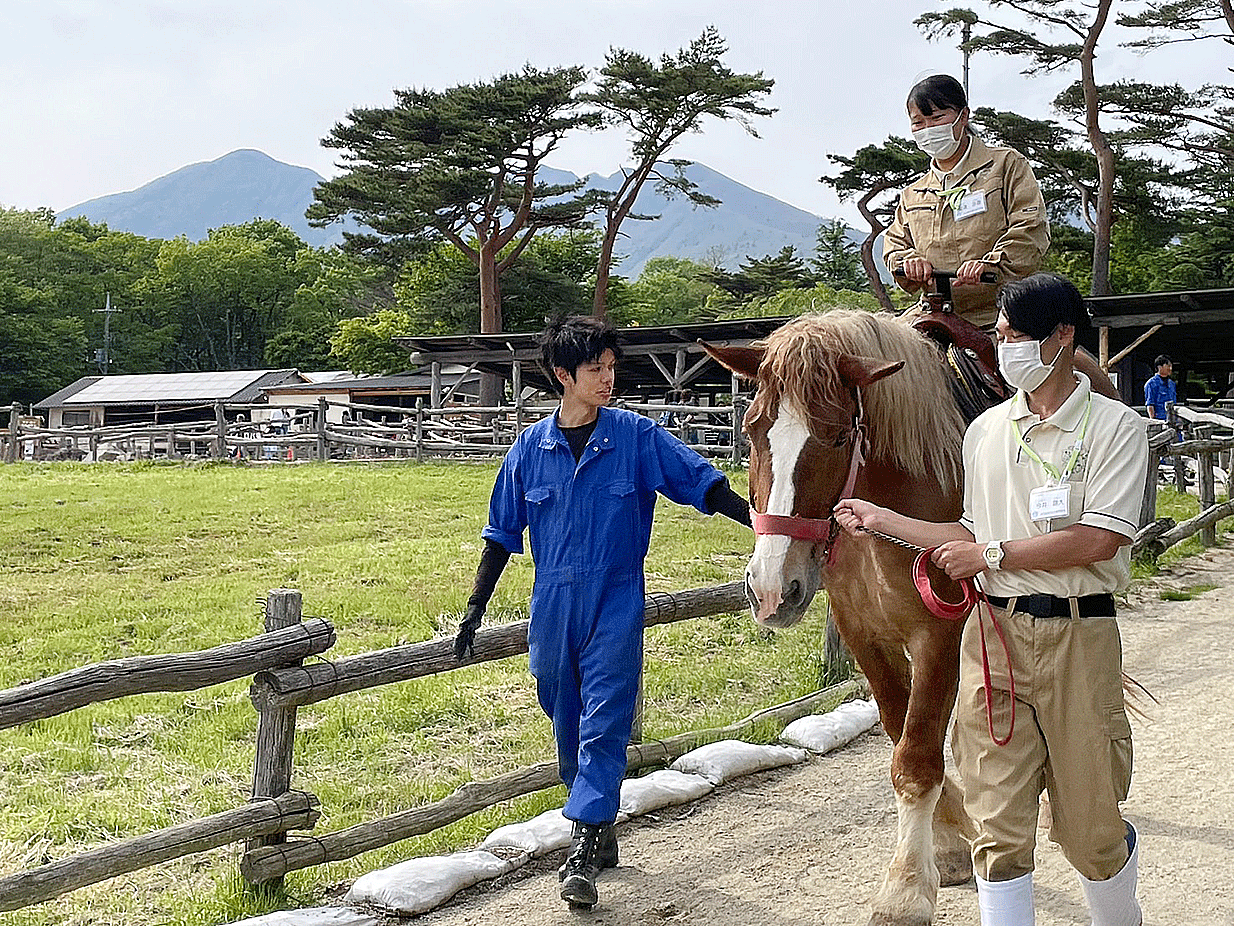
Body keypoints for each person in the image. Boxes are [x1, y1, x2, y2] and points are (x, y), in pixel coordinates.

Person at [834, 273, 1148, 926]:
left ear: (1062, 337)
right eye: (1000, 337)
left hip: (1077, 637)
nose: (1006, 349)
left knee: (1089, 831)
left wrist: (992, 557)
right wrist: (883, 520)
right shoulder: (983, 433)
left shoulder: (1116, 427)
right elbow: (968, 533)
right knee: (998, 831)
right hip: (994, 640)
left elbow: (1099, 538)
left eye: (1014, 337)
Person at [452, 316, 750, 909]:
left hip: (616, 597)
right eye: (596, 369)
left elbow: (705, 486)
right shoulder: (528, 450)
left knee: (605, 719)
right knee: (564, 715)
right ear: (563, 375)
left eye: (612, 367)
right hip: (552, 605)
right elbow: (501, 534)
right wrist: (474, 607)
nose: (608, 378)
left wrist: (766, 528)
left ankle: (583, 849)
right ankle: (599, 823)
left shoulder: (637, 437)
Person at [883, 72, 1049, 330]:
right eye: (918, 122)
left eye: (937, 118)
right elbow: (894, 245)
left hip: (999, 316)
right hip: (931, 314)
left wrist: (991, 265)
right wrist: (907, 261)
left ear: (963, 116)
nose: (928, 129)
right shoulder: (913, 193)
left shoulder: (1006, 165)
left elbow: (1031, 227)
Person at [1144, 354, 1177, 420]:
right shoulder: (1151, 383)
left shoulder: (1172, 384)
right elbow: (1150, 405)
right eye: (1168, 366)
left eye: (1171, 366)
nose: (1170, 369)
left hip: (1172, 419)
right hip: (1159, 420)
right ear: (1160, 367)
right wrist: (1153, 420)